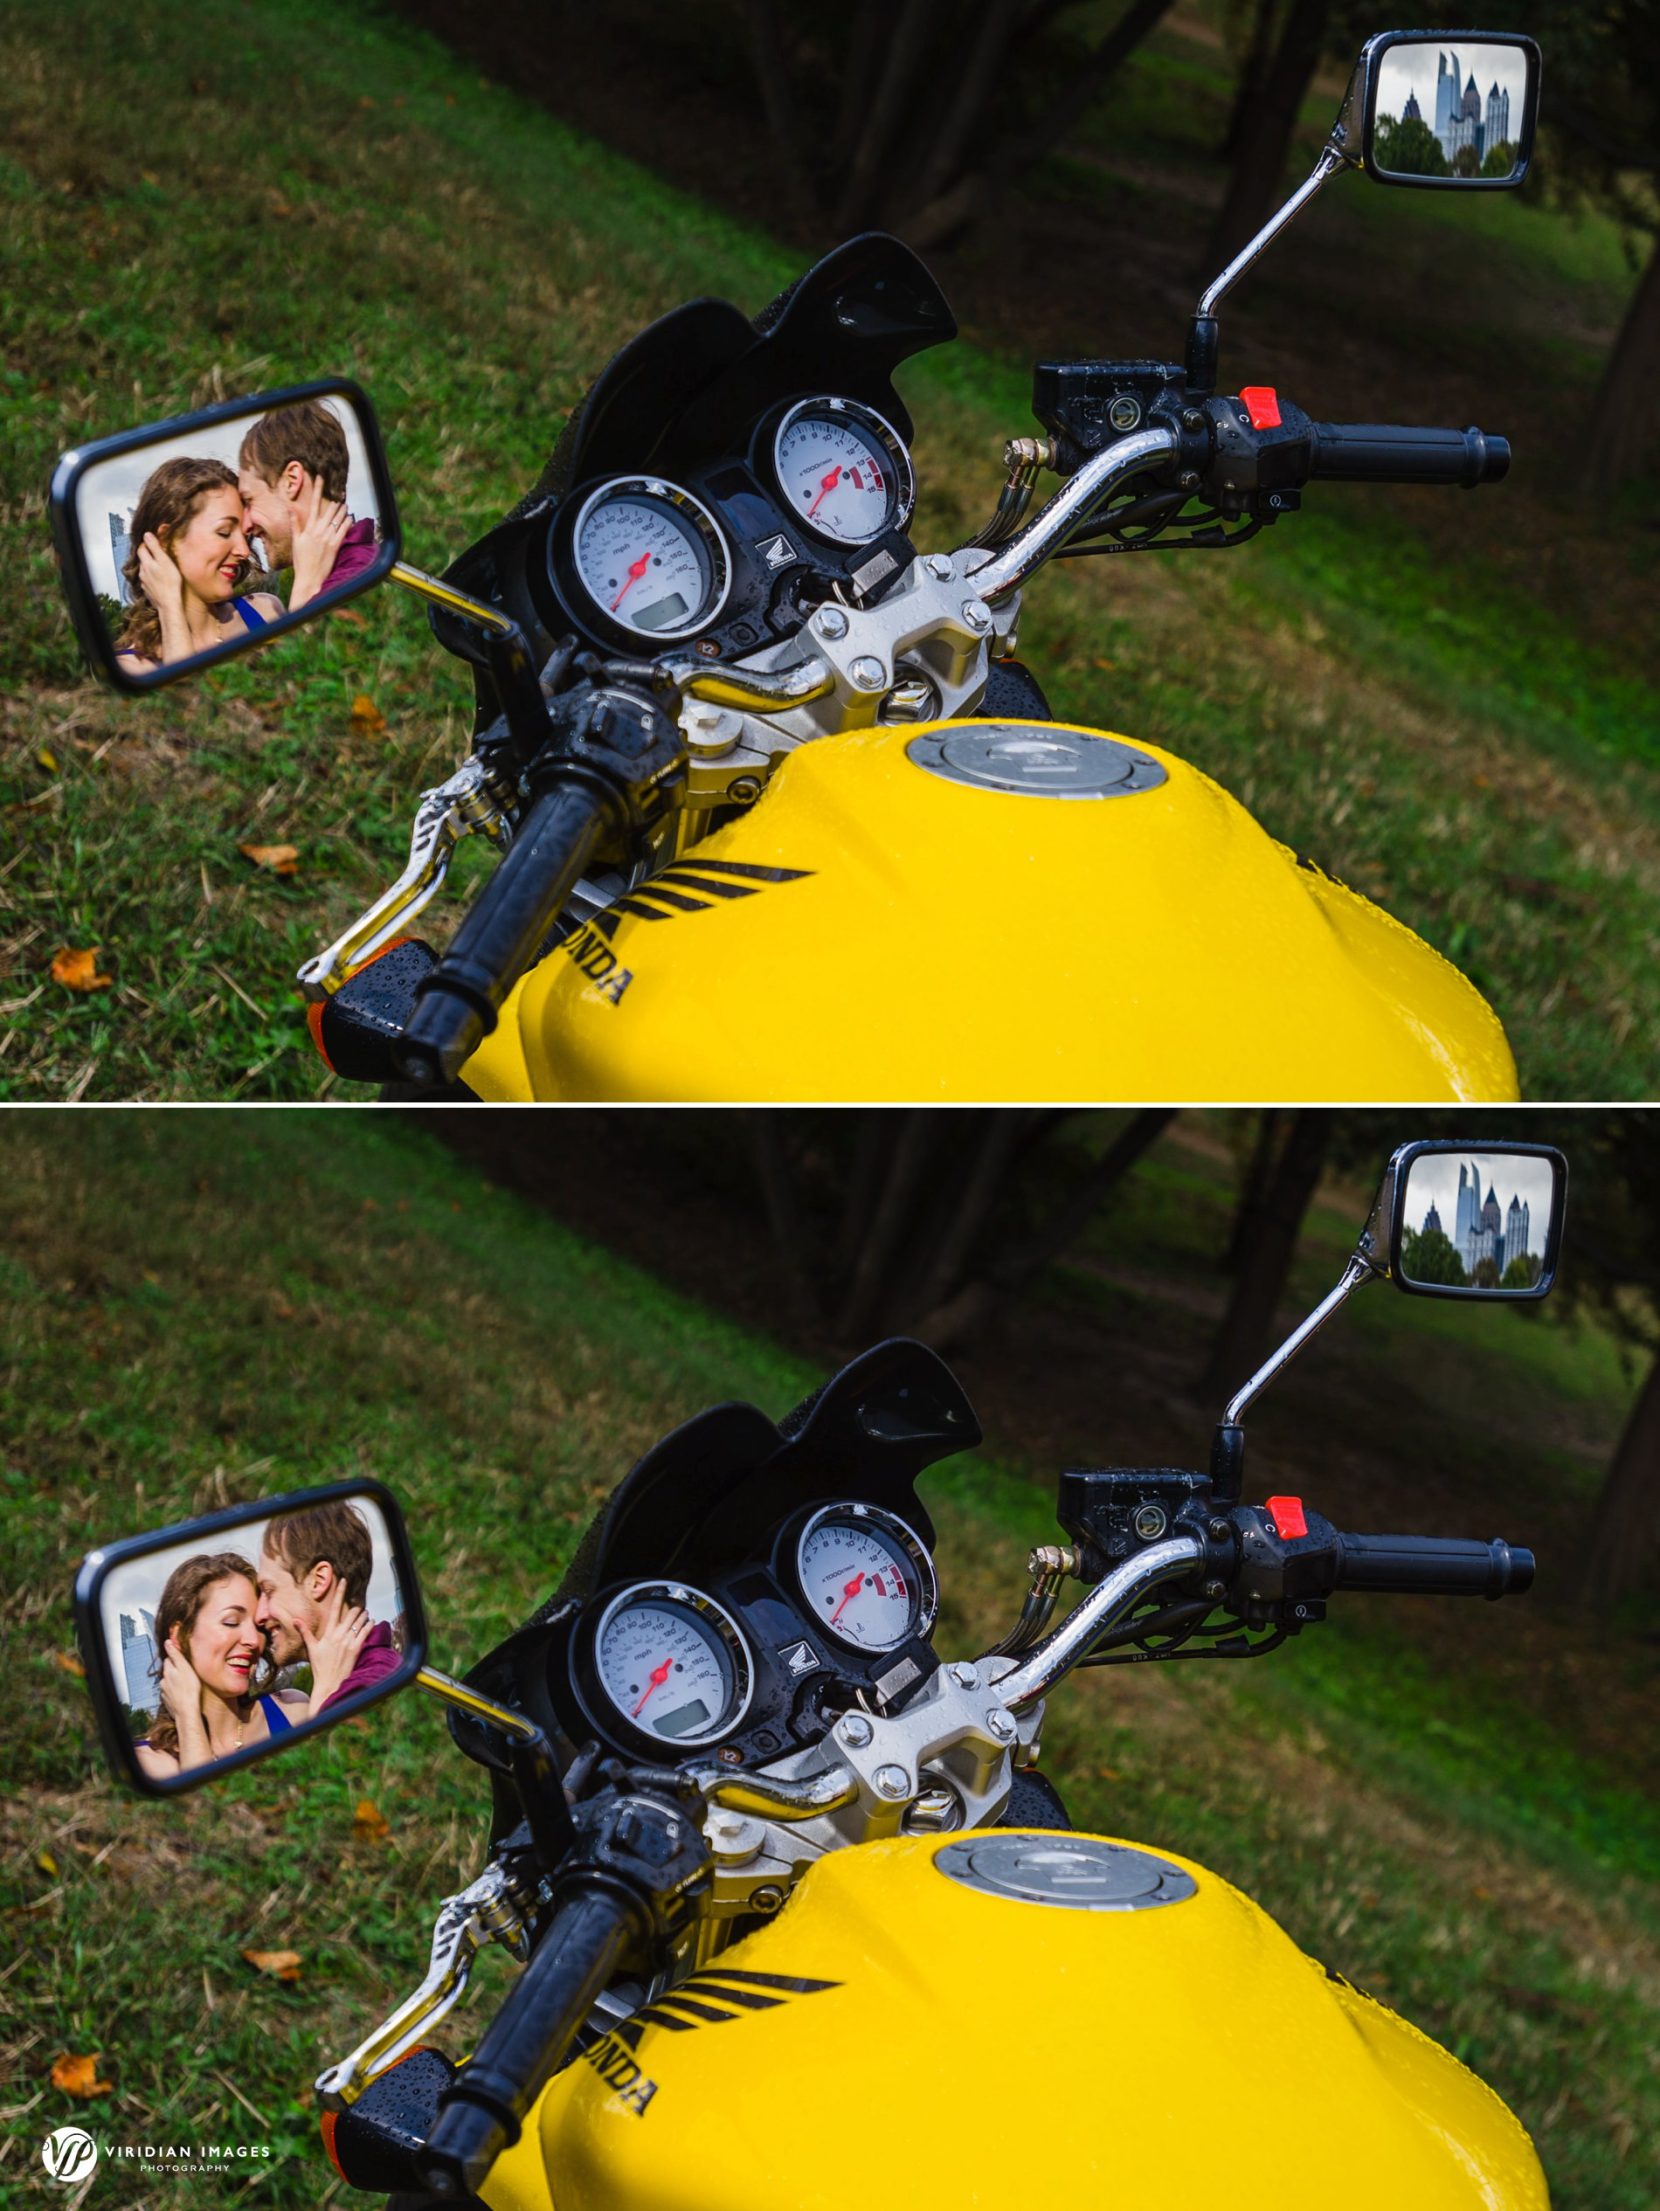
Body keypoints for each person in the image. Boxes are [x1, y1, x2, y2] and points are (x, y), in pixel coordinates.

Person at [133, 1551, 305, 1780]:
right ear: (179, 1635)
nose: (253, 1640)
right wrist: (187, 1715)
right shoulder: (148, 1763)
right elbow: (208, 1809)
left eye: (258, 1627)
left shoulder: (293, 1709)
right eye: (231, 1622)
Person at [113, 458, 285, 672]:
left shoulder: (267, 611)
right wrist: (170, 609)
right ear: (167, 541)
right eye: (224, 532)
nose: (244, 550)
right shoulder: (131, 669)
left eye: (244, 535)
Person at [255, 1500, 401, 1716]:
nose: (259, 1615)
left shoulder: (366, 1691)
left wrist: (324, 1702)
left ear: (318, 1581)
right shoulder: (366, 1673)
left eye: (269, 1591)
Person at [237, 400, 379, 610]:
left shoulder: (349, 585)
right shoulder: (362, 563)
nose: (245, 525)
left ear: (292, 481)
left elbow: (306, 643)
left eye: (249, 500)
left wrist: (305, 592)